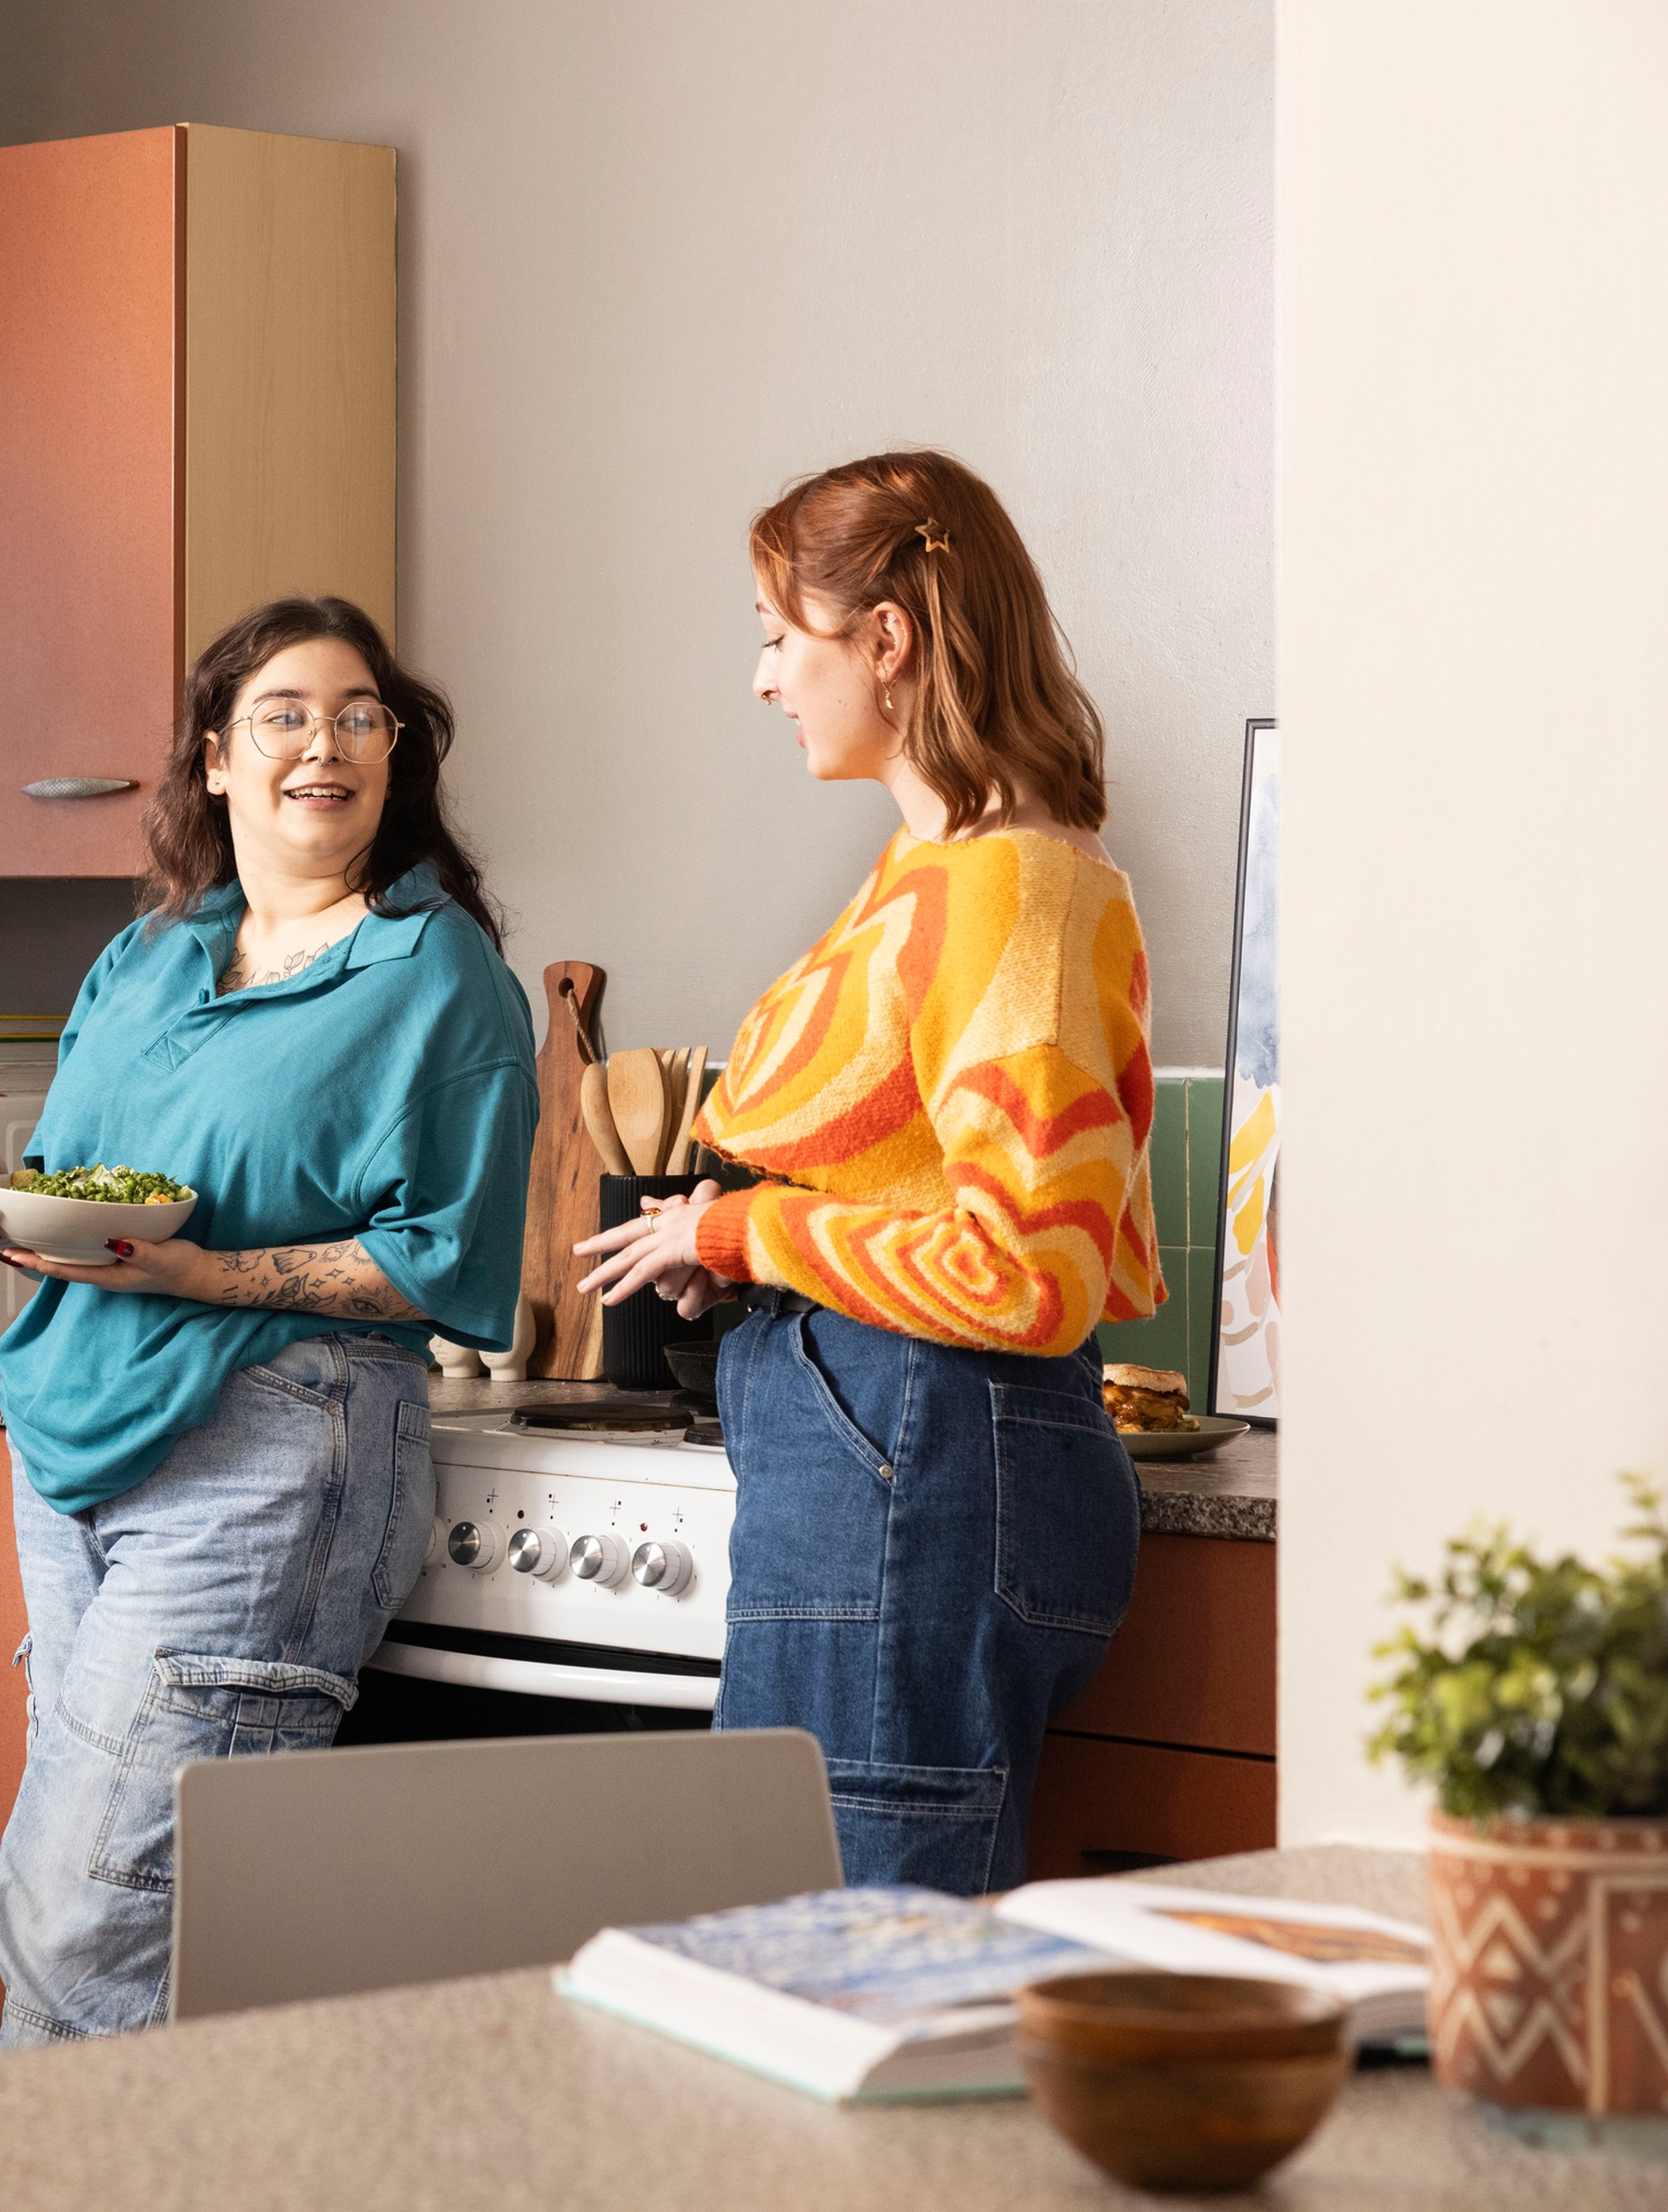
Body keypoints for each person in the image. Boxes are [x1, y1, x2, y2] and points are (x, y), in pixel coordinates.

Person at [0, 596, 537, 2043]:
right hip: (76, 1438)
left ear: (397, 759)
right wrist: (8, 1203)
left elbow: (447, 1262)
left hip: (275, 1444)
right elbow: (102, 1188)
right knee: (74, 1901)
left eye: (358, 717)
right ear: (215, 758)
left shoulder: (433, 972)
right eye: (283, 713)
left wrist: (199, 1274)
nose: (322, 744)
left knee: (96, 1919)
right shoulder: (150, 956)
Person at [576, 450, 1157, 1895]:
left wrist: (751, 1237)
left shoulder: (1011, 886)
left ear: (886, 639)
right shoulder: (929, 868)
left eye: (783, 635)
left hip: (923, 1461)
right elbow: (890, 1187)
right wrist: (730, 1238)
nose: (764, 678)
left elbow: (1029, 1270)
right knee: (798, 1926)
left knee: (853, 1947)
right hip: (888, 1449)